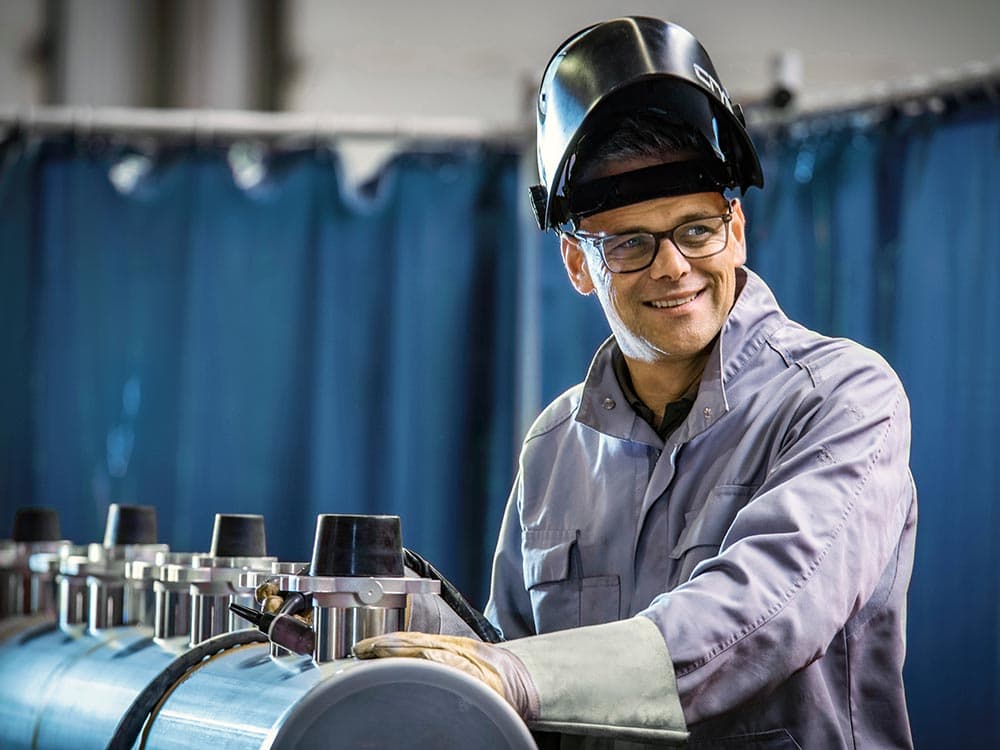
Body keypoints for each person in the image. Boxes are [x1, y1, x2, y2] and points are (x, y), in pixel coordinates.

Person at [355, 16, 917, 749]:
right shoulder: (555, 449)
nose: (673, 267)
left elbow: (766, 614)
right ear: (578, 265)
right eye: (629, 243)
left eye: (695, 229)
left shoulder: (843, 400)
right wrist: (406, 636)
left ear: (736, 228)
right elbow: (513, 666)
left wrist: (520, 675)